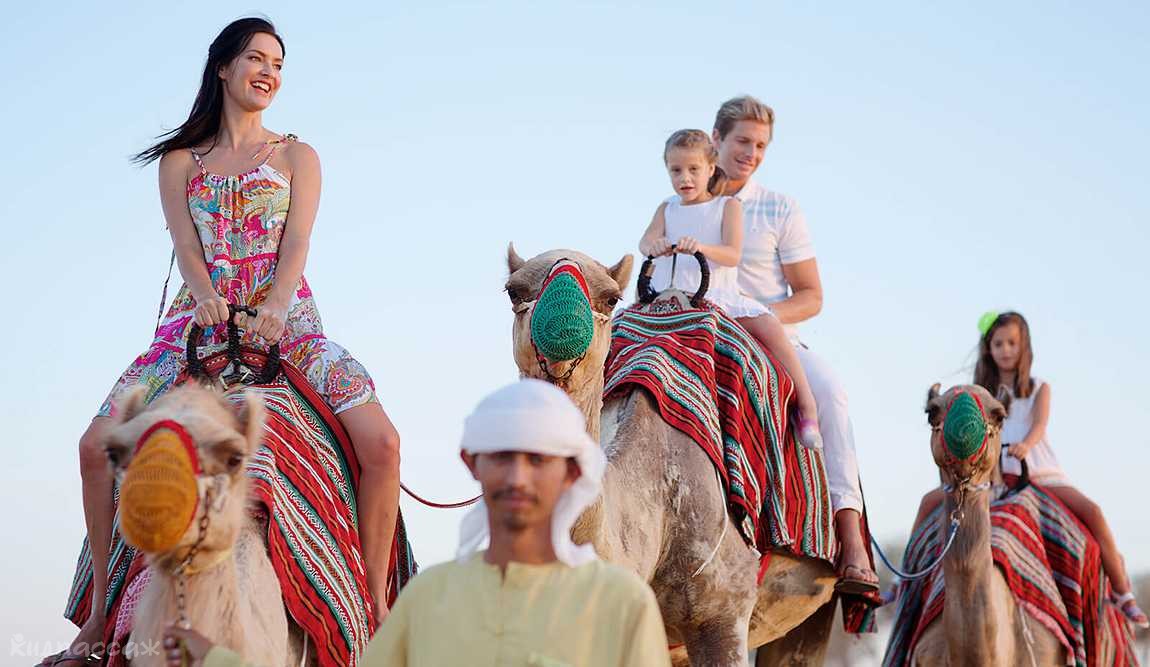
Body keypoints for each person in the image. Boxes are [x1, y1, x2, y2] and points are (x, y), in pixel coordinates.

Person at [49, 17, 401, 666]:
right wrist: (207, 297)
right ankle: (100, 613)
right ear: (222, 67)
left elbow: (296, 243)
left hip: (288, 326)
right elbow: (186, 244)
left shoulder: (297, 155)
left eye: (278, 63)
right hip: (192, 332)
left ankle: (375, 608)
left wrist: (272, 305)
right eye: (256, 59)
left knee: (382, 443)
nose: (268, 71)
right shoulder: (182, 162)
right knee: (96, 448)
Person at [163, 380, 671, 667]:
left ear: (573, 473)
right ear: (473, 463)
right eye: (503, 457)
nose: (518, 476)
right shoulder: (432, 596)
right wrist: (218, 662)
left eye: (538, 460)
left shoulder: (620, 602)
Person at [710, 95, 877, 593]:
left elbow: (811, 296)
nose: (751, 152)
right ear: (715, 138)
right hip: (697, 330)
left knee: (830, 392)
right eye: (742, 140)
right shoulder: (689, 196)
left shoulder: (778, 208)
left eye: (761, 145)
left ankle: (850, 536)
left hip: (771, 340)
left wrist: (757, 317)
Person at [913, 311, 1148, 626]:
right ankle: (905, 583)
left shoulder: (1039, 388)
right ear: (989, 349)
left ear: (1024, 347)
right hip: (993, 477)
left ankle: (1122, 592)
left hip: (1037, 471)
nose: (1005, 350)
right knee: (929, 504)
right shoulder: (980, 393)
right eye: (998, 343)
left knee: (1092, 512)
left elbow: (1039, 424)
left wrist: (1026, 444)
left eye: (1012, 343)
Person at [639, 129, 821, 448]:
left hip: (716, 295)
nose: (685, 178)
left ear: (711, 168)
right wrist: (655, 245)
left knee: (770, 326)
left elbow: (733, 254)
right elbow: (644, 242)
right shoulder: (666, 208)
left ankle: (807, 407)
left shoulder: (728, 206)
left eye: (693, 169)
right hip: (672, 298)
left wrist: (702, 248)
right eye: (676, 170)